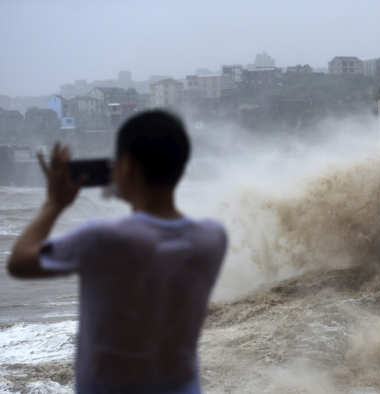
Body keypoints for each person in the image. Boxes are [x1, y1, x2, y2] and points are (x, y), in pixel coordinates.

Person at [7, 110, 227, 393]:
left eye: (116, 161)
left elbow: (19, 261)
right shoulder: (212, 238)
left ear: (128, 166)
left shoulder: (102, 239)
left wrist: (54, 204)